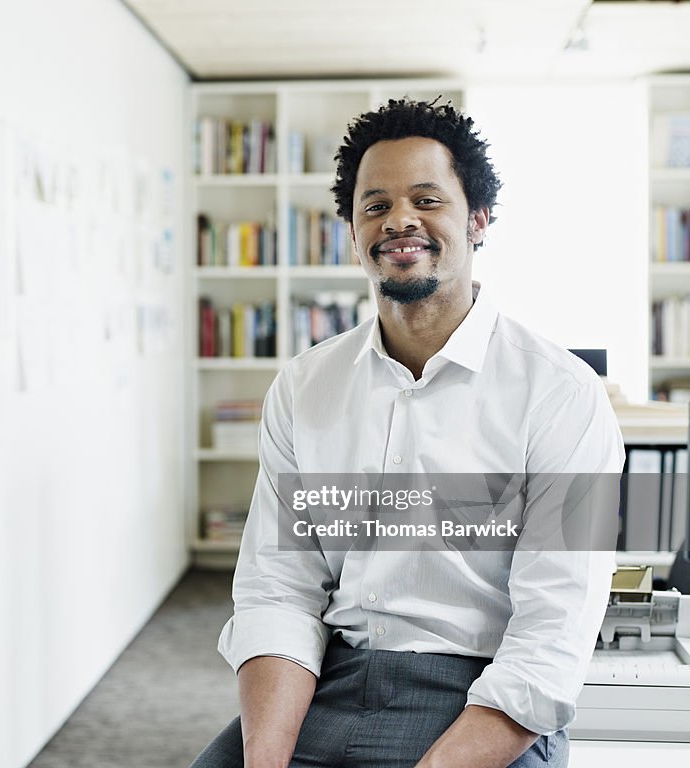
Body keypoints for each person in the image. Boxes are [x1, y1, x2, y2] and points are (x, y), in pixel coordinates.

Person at [190, 99, 624, 768]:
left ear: (477, 220)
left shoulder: (562, 395)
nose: (398, 220)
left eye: (427, 199)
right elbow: (280, 591)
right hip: (327, 681)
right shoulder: (306, 387)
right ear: (352, 228)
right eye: (375, 205)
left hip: (483, 700)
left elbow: (552, 637)